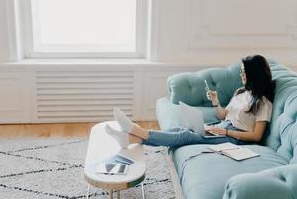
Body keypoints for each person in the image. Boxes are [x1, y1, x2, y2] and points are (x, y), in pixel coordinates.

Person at [105, 55, 275, 148]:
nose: (241, 75)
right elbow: (224, 116)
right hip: (223, 127)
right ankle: (129, 139)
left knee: (186, 135)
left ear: (254, 75)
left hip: (236, 139)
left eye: (244, 72)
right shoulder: (241, 92)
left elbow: (256, 136)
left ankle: (134, 129)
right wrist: (216, 102)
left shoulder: (263, 103)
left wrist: (226, 133)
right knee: (181, 128)